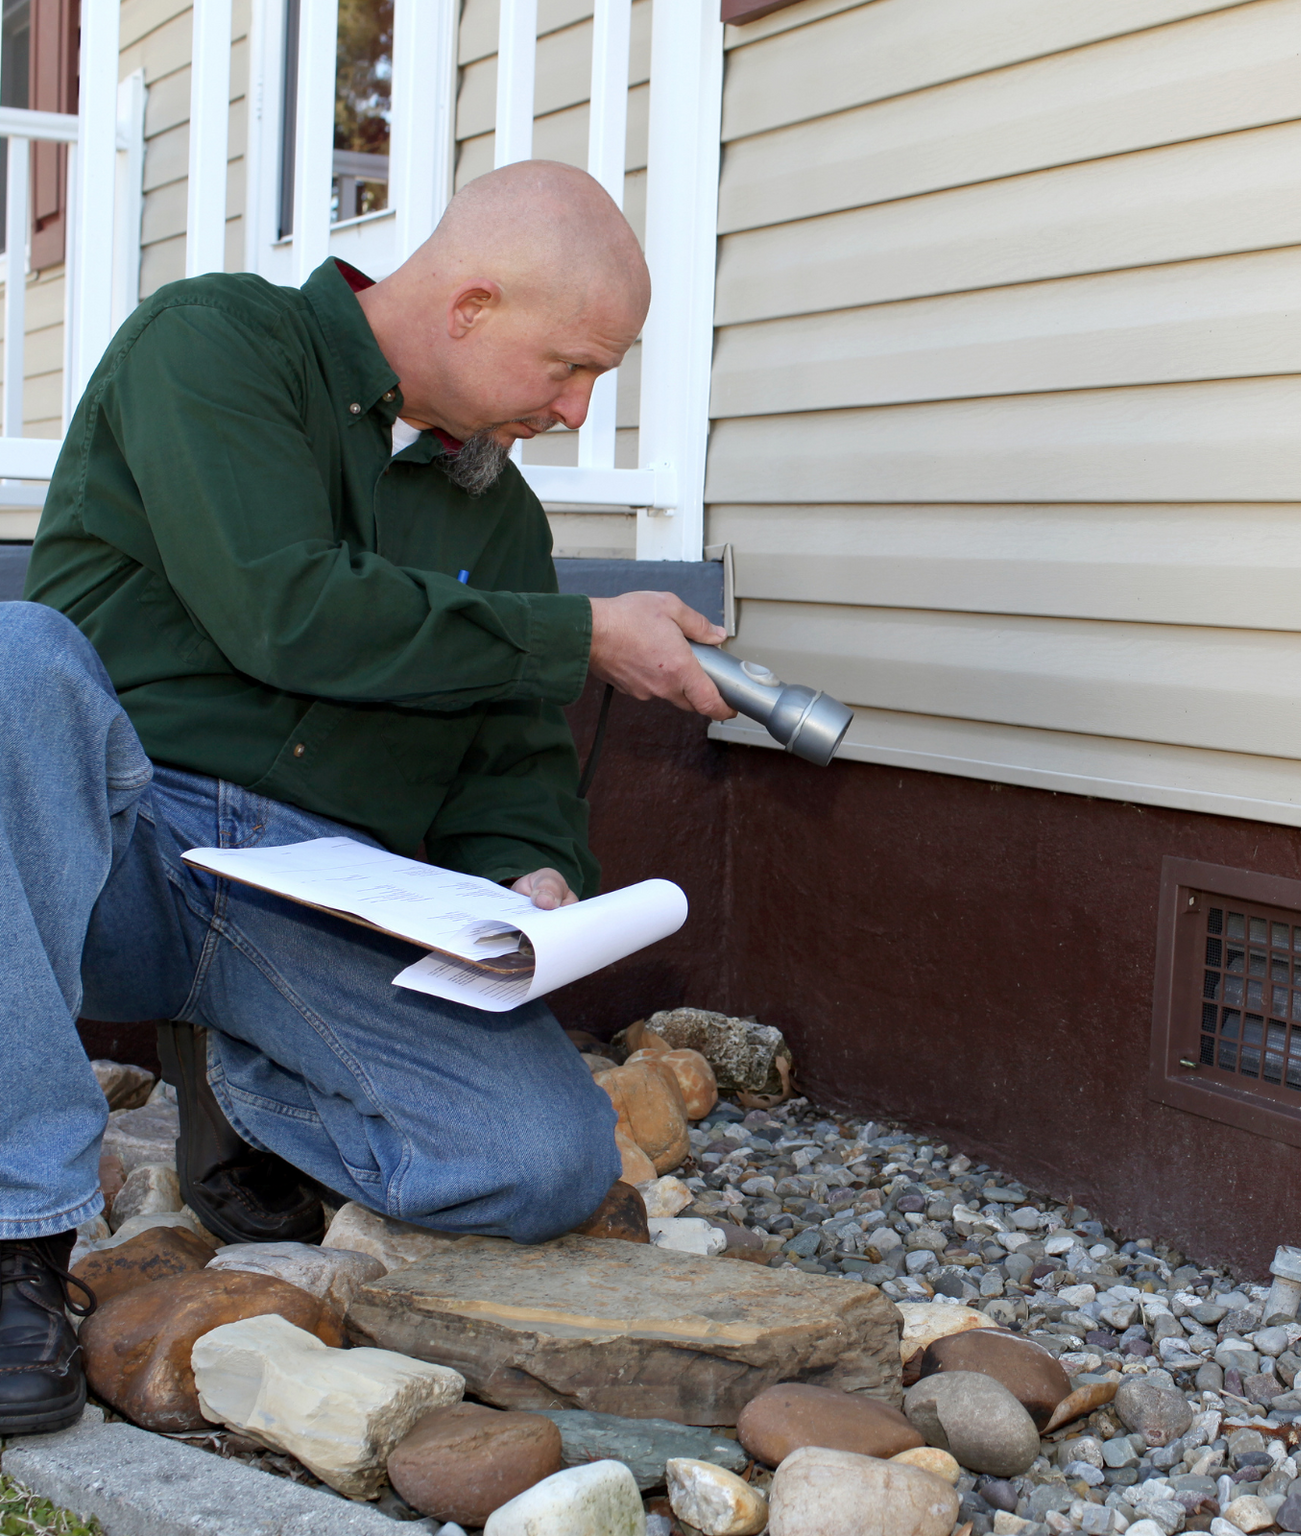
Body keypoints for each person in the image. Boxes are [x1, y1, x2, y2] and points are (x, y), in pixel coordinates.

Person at [0, 161, 733, 1434]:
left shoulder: (497, 517)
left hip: (308, 894)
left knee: (543, 1163)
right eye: (569, 366)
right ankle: (15, 1236)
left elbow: (515, 761)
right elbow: (286, 609)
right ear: (470, 304)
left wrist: (534, 876)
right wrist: (579, 637)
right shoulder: (219, 342)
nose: (575, 407)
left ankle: (254, 1104)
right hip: (106, 847)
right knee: (16, 665)